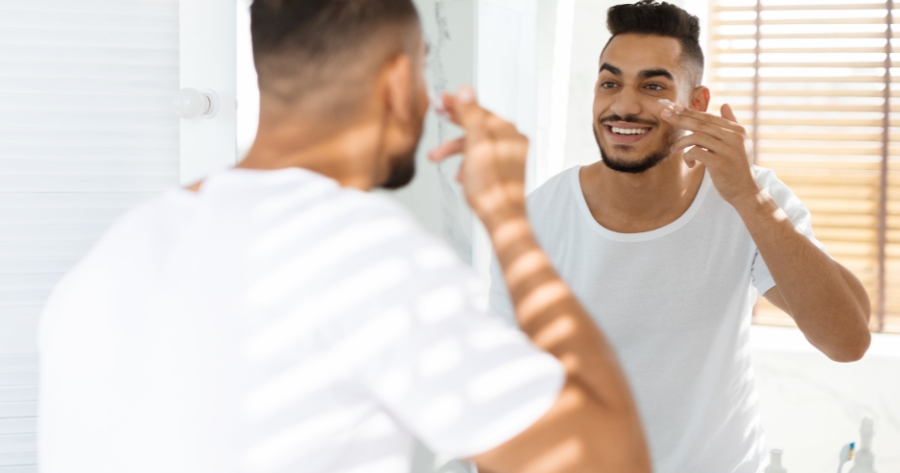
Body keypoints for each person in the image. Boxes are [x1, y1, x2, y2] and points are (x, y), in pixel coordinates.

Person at [38, 1, 652, 472]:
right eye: (424, 68)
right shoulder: (360, 255)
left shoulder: (119, 249)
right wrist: (509, 221)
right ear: (396, 81)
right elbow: (610, 461)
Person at [488, 1, 872, 472]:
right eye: (610, 83)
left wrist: (748, 198)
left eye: (653, 86)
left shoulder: (749, 197)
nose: (624, 106)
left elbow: (846, 341)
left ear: (697, 104)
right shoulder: (537, 218)